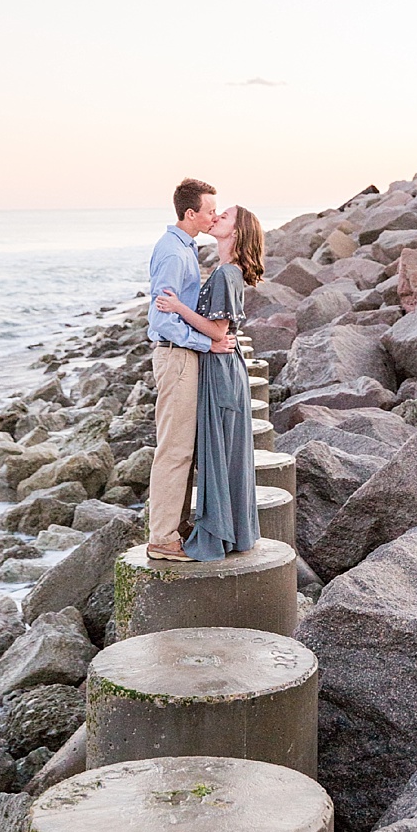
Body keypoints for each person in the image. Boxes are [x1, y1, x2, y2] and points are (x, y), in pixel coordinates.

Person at [154, 205, 265, 560]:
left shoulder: (224, 275)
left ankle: (218, 531)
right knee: (217, 450)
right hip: (220, 365)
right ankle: (226, 528)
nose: (216, 217)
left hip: (220, 368)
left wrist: (178, 307)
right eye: (215, 211)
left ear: (236, 231)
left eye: (225, 215)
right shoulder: (225, 271)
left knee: (218, 450)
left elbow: (218, 331)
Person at [145, 178, 232, 562]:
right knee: (175, 450)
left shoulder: (183, 248)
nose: (214, 215)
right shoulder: (174, 254)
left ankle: (172, 530)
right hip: (176, 356)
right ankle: (162, 537)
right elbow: (159, 318)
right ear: (190, 213)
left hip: (181, 355)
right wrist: (207, 343)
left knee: (183, 448)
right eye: (210, 210)